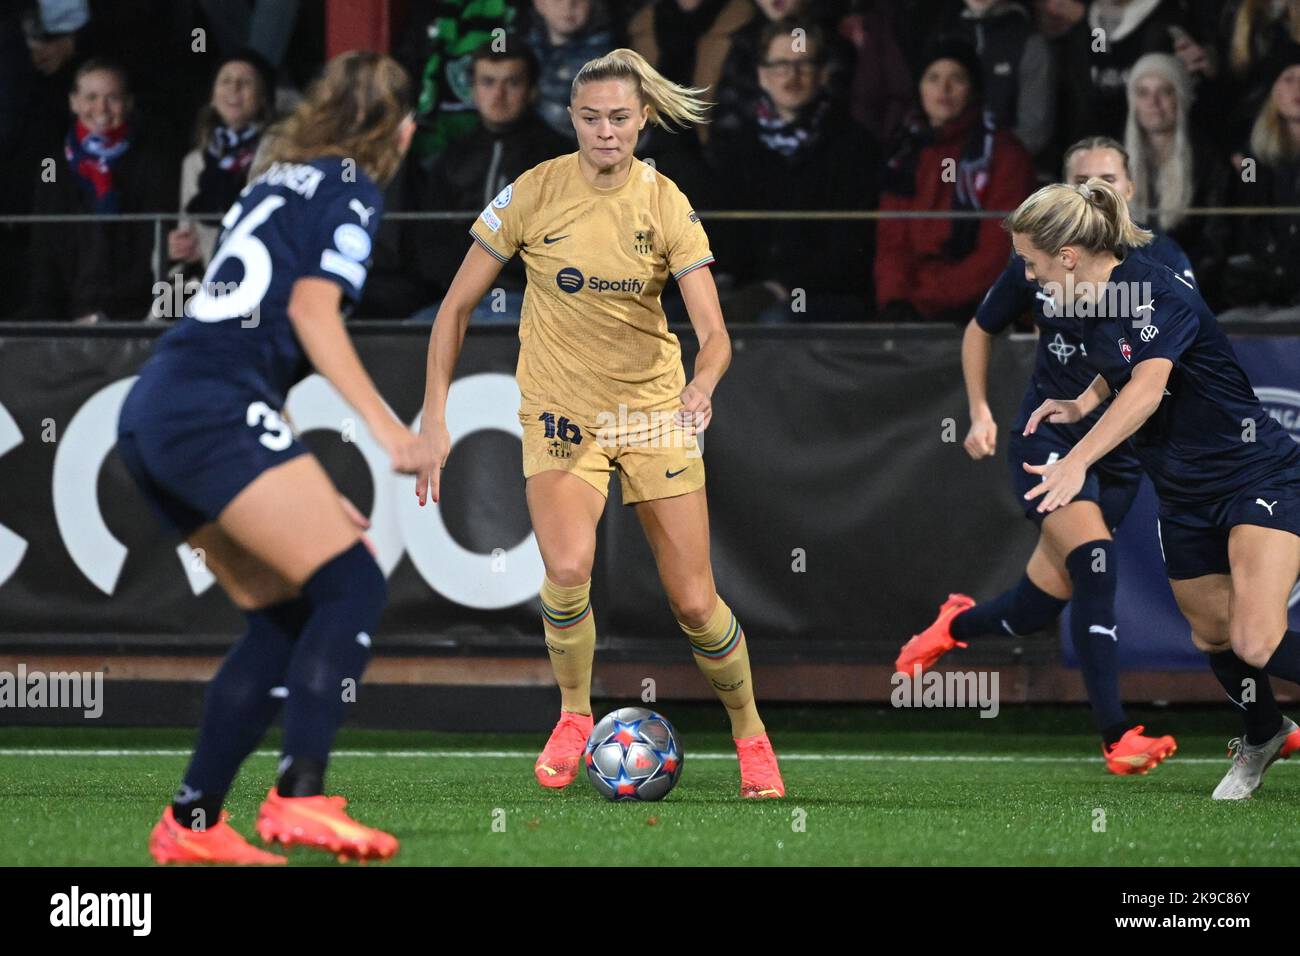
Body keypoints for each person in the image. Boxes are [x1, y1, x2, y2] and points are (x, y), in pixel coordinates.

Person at [415, 47, 786, 798]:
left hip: (652, 411)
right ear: (572, 119)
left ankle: (751, 733)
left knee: (694, 602)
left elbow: (715, 335)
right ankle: (576, 713)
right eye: (591, 118)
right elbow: (453, 308)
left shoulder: (667, 203)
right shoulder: (533, 192)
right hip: (560, 411)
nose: (606, 131)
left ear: (644, 119)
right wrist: (433, 415)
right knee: (567, 569)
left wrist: (704, 384)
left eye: (620, 118)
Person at [118, 52, 434, 864]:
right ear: (401, 131)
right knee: (352, 583)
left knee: (285, 619)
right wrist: (387, 429)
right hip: (213, 407)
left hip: (163, 402)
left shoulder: (273, 180)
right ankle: (301, 798)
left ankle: (190, 825)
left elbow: (260, 333)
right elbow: (310, 312)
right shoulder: (354, 190)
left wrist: (300, 477)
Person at [897, 137, 1185, 774]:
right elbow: (981, 327)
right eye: (1082, 178)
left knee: (1033, 609)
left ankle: (955, 625)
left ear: (1131, 189)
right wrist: (980, 411)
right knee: (1097, 565)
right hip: (1048, 435)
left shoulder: (1158, 264)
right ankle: (1117, 736)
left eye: (1108, 177)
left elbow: (1166, 362)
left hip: (1119, 450)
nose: (1095, 189)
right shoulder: (1043, 256)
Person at [1009, 177, 1300, 799]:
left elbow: (1146, 388)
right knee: (1213, 636)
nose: (1028, 276)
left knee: (1256, 638)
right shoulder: (1087, 301)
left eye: (1030, 263)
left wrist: (1077, 460)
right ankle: (1264, 732)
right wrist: (1078, 400)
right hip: (1183, 492)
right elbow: (1120, 370)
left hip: (1256, 474)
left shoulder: (1151, 289)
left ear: (1067, 255)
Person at [706, 18, 878, 321]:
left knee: (775, 320)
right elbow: (723, 233)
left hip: (821, 295)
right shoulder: (738, 146)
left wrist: (779, 287)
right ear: (762, 75)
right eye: (779, 66)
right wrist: (723, 281)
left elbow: (851, 250)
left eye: (804, 66)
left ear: (822, 73)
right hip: (748, 288)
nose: (791, 76)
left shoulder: (854, 145)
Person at [875, 37, 1036, 323]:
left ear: (973, 89)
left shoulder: (1004, 154)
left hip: (979, 308)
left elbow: (998, 253)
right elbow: (892, 244)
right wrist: (895, 300)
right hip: (911, 307)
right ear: (919, 88)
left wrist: (925, 300)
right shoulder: (904, 154)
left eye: (957, 78)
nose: (943, 89)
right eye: (933, 78)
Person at [22, 58, 175, 322]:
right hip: (65, 316)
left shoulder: (153, 162)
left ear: (128, 103)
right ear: (74, 102)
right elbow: (44, 250)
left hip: (134, 315)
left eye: (112, 97)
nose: (101, 108)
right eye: (91, 97)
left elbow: (151, 247)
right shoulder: (53, 165)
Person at [167, 50, 275, 277]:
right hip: (207, 277)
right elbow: (186, 230)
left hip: (259, 273)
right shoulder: (194, 161)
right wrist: (176, 248)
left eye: (245, 82)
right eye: (225, 81)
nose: (234, 88)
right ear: (213, 96)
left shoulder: (279, 153)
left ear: (263, 98)